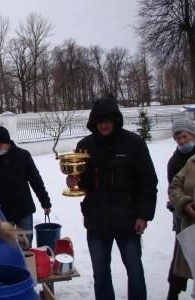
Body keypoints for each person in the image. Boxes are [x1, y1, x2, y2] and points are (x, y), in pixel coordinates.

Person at [66, 97, 158, 300]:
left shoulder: (134, 144)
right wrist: (74, 181)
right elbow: (82, 181)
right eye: (100, 121)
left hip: (128, 222)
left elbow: (148, 182)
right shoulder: (84, 146)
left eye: (108, 120)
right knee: (100, 275)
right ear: (94, 123)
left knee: (135, 273)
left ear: (116, 120)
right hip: (97, 223)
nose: (104, 125)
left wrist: (143, 216)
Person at [0, 125, 52, 248]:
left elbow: (36, 181)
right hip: (2, 212)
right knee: (5, 248)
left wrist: (45, 202)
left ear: (7, 143)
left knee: (25, 247)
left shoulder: (23, 156)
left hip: (24, 209)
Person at [165, 118, 194, 299]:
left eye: (185, 136)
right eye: (178, 138)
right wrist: (182, 203)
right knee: (180, 259)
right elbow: (173, 188)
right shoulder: (175, 162)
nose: (182, 141)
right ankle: (173, 293)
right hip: (184, 217)